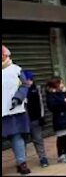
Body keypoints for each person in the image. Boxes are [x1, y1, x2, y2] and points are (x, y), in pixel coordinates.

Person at [2, 45, 31, 174]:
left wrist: (18, 98)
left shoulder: (17, 70)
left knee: (17, 137)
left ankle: (21, 163)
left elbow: (25, 86)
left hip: (14, 110)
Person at [46, 77, 66, 163]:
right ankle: (60, 155)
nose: (62, 85)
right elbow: (53, 107)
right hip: (59, 119)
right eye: (60, 83)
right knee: (61, 137)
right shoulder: (51, 95)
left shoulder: (62, 93)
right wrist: (64, 102)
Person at [24, 70, 49, 168]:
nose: (29, 81)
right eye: (27, 79)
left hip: (35, 119)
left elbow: (41, 103)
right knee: (23, 142)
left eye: (30, 79)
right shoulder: (19, 90)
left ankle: (43, 158)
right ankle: (22, 161)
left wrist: (42, 116)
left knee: (38, 139)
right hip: (23, 121)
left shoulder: (36, 88)